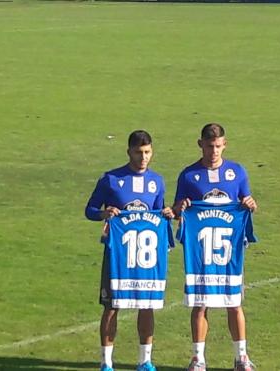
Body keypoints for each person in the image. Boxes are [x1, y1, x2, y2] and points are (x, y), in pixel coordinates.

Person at [85, 130, 174, 371]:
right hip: (118, 256)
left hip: (146, 257)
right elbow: (90, 210)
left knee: (147, 304)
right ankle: (106, 362)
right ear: (129, 152)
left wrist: (167, 214)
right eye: (138, 152)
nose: (143, 157)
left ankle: (145, 360)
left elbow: (157, 214)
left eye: (147, 152)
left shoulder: (157, 181)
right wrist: (104, 213)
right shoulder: (111, 180)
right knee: (112, 307)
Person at [173, 123, 258, 371]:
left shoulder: (237, 172)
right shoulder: (189, 176)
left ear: (225, 145)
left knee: (234, 302)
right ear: (200, 144)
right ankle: (198, 358)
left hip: (229, 252)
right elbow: (177, 210)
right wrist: (181, 207)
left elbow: (248, 203)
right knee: (201, 302)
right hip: (200, 252)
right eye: (209, 146)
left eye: (218, 146)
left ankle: (241, 356)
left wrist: (251, 203)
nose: (214, 152)